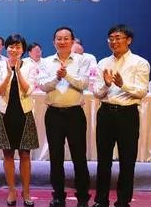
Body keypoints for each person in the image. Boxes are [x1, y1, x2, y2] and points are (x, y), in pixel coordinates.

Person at [92, 24, 150, 207]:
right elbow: (97, 92)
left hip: (127, 114)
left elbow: (142, 91)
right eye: (111, 38)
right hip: (106, 113)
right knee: (103, 160)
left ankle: (123, 201)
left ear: (128, 40)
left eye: (118, 38)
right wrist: (106, 85)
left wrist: (122, 84)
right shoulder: (103, 63)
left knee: (127, 160)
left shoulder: (140, 63)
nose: (114, 42)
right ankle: (101, 200)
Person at [37, 27, 91, 207]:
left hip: (75, 114)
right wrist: (56, 78)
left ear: (72, 41)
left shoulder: (82, 60)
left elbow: (84, 84)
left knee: (79, 157)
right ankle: (58, 196)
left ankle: (82, 197)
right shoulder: (46, 62)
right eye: (59, 38)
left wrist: (66, 75)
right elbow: (43, 85)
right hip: (54, 114)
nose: (62, 41)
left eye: (66, 38)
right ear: (54, 42)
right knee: (56, 157)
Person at [0, 33, 39, 207]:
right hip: (5, 114)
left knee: (25, 154)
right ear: (7, 48)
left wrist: (18, 71)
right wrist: (8, 74)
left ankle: (26, 192)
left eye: (17, 47)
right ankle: (11, 191)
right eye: (11, 46)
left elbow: (28, 90)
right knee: (8, 154)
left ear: (23, 49)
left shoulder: (30, 66)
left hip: (24, 114)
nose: (14, 50)